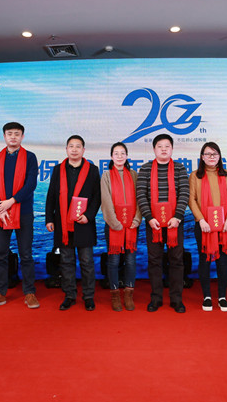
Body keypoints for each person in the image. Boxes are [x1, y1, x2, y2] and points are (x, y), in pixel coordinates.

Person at [0, 122, 39, 310]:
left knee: (26, 254)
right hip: (1, 212)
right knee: (0, 254)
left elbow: (31, 184)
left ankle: (29, 292)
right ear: (4, 136)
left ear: (22, 136)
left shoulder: (30, 157)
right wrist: (0, 207)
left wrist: (12, 201)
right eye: (9, 133)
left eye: (17, 134)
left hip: (23, 211)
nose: (13, 137)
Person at [45, 135, 101, 311]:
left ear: (83, 150)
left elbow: (97, 197)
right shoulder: (57, 170)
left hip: (83, 223)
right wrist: (49, 219)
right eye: (71, 146)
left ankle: (88, 296)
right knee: (66, 261)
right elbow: (51, 196)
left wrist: (88, 216)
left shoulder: (92, 170)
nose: (74, 149)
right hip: (62, 224)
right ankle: (69, 295)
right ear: (66, 149)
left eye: (78, 146)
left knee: (87, 262)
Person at [137, 134, 190, 313]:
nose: (164, 149)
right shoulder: (145, 169)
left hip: (175, 223)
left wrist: (178, 217)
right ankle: (156, 298)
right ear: (154, 149)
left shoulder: (180, 168)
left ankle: (176, 299)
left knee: (176, 260)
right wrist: (149, 218)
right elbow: (141, 195)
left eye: (167, 146)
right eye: (160, 146)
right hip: (153, 224)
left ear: (172, 149)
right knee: (154, 261)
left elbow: (184, 193)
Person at [189, 142, 227, 312]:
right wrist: (201, 220)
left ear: (219, 157)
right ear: (202, 157)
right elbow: (192, 199)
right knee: (205, 259)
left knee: (222, 260)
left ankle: (222, 297)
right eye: (208, 154)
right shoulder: (195, 176)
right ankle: (207, 296)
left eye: (214, 154)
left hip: (223, 225)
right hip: (204, 226)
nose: (211, 157)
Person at [100, 142, 141, 311]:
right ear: (111, 156)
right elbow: (105, 200)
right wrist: (115, 223)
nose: (119, 156)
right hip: (113, 226)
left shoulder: (134, 175)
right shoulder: (106, 176)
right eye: (116, 153)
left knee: (131, 260)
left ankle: (129, 294)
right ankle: (115, 294)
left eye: (122, 153)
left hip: (132, 225)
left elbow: (140, 198)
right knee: (114, 260)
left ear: (127, 156)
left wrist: (137, 219)